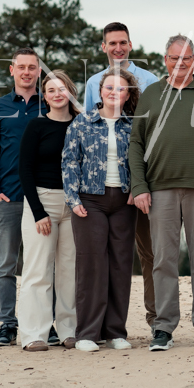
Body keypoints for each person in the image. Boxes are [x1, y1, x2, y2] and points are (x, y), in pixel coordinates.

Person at [129, 34, 194, 352]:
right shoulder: (151, 94)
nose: (180, 63)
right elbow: (136, 143)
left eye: (186, 58)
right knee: (163, 259)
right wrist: (139, 186)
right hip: (159, 190)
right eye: (175, 58)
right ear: (166, 60)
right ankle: (163, 327)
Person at [83, 22, 159, 329]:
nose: (118, 48)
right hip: (105, 186)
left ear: (130, 45)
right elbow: (88, 128)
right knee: (104, 255)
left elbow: (157, 129)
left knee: (150, 252)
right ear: (103, 47)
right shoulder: (93, 83)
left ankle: (156, 320)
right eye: (112, 43)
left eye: (123, 42)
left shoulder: (151, 80)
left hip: (145, 181)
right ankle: (101, 323)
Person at [61, 68, 141, 353]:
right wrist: (73, 199)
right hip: (90, 201)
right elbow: (70, 161)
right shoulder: (82, 122)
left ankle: (115, 332)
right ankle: (87, 333)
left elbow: (142, 161)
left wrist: (137, 188)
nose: (114, 93)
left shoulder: (133, 126)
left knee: (121, 265)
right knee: (92, 265)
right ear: (100, 91)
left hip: (124, 202)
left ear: (128, 95)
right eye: (109, 87)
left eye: (121, 89)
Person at [0, 48, 49, 348]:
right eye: (21, 67)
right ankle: (8, 324)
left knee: (45, 264)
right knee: (6, 265)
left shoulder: (49, 103)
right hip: (9, 197)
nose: (26, 72)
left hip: (44, 197)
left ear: (39, 71)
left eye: (32, 67)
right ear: (12, 70)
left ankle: (48, 323)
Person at [17, 70, 80, 351]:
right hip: (43, 202)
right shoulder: (37, 126)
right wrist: (38, 211)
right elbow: (25, 169)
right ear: (45, 96)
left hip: (74, 204)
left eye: (61, 88)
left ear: (71, 92)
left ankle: (69, 330)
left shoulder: (81, 125)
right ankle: (34, 334)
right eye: (51, 90)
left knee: (69, 270)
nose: (57, 94)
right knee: (38, 269)